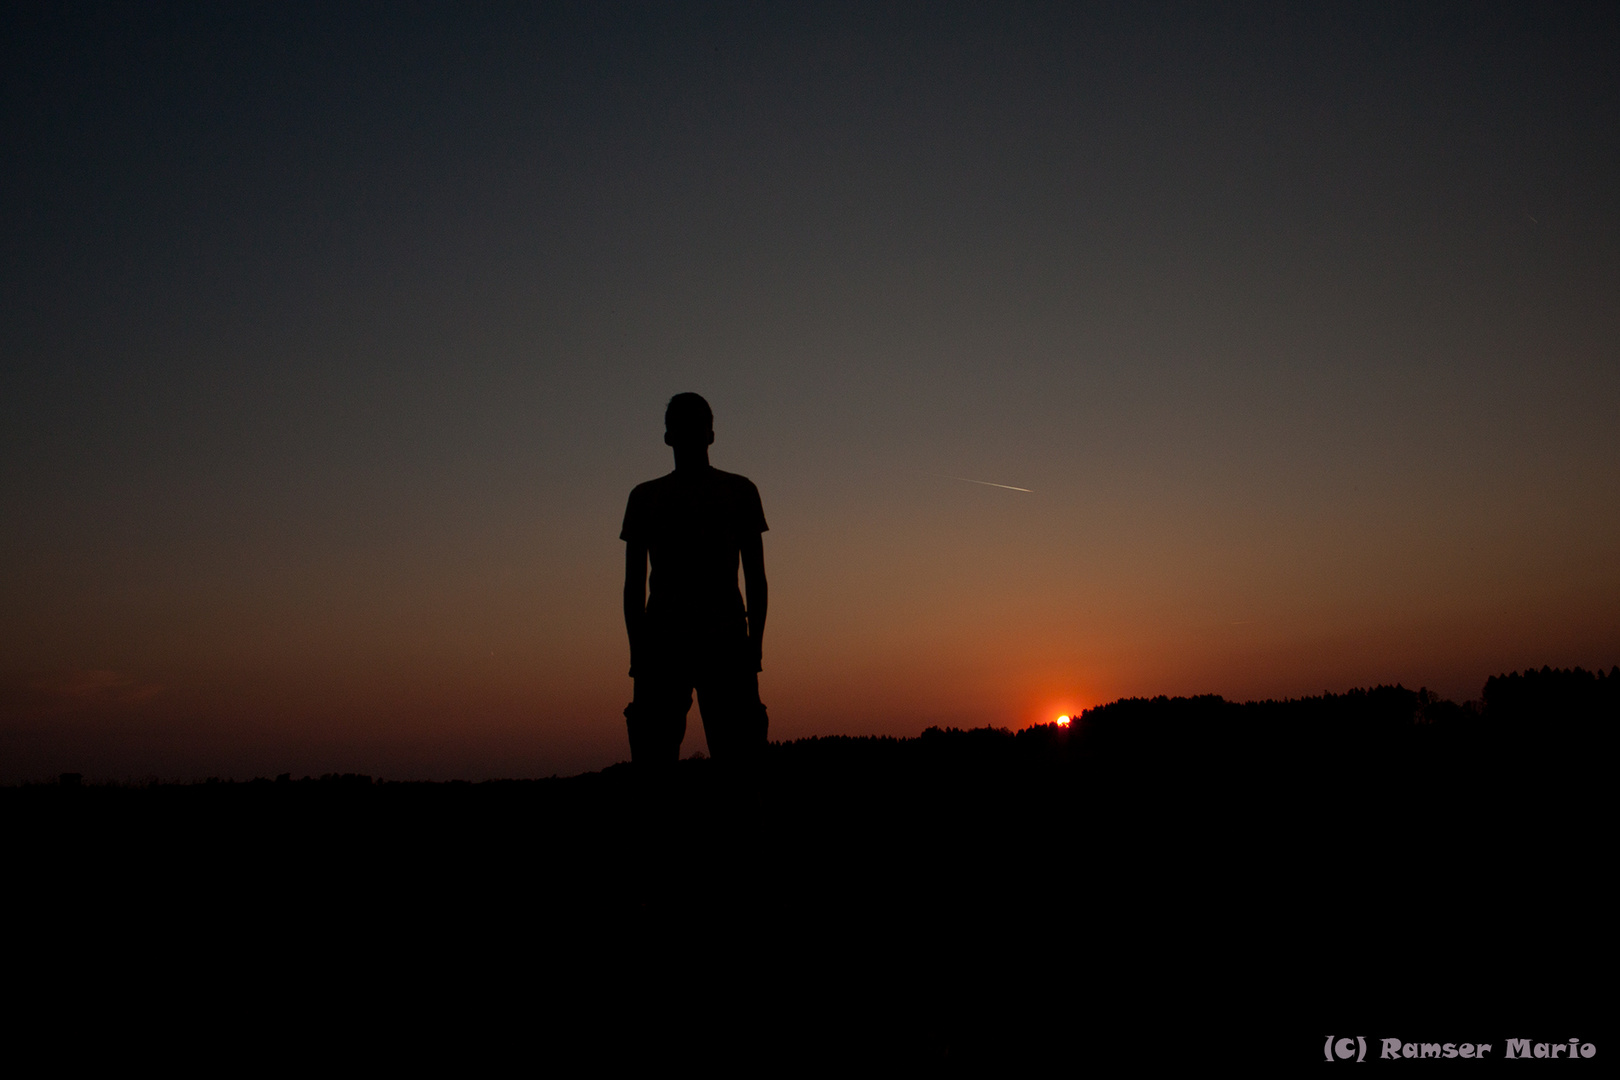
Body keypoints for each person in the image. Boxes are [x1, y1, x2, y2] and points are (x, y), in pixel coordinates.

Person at [621, 393, 769, 763]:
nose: (689, 435)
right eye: (683, 427)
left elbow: (756, 577)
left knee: (738, 766)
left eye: (694, 426)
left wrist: (754, 643)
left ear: (709, 434)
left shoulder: (738, 492)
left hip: (715, 641)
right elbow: (633, 584)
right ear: (670, 436)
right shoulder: (646, 498)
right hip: (674, 644)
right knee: (663, 765)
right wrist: (638, 649)